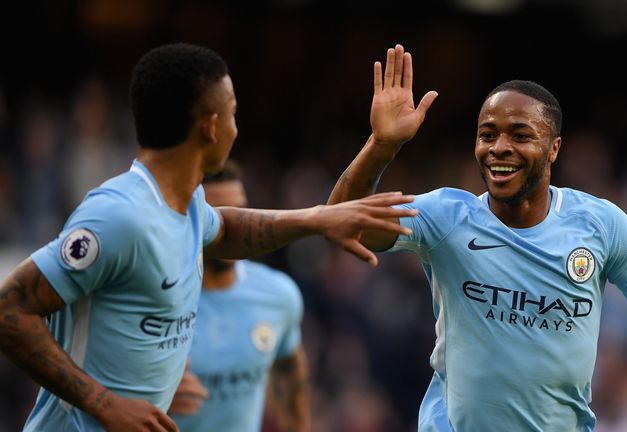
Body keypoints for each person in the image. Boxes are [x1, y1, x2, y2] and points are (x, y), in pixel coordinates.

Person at [0, 43, 417, 432]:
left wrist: (318, 218)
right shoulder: (119, 216)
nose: (237, 127)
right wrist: (106, 404)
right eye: (233, 113)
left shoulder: (184, 206)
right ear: (211, 127)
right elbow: (9, 311)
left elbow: (228, 228)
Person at [327, 44, 627, 431]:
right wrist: (382, 146)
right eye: (487, 134)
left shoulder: (601, 225)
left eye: (520, 134)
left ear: (553, 149)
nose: (499, 148)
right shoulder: (445, 216)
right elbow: (340, 224)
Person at [168, 161, 309, 432]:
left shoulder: (278, 294)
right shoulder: (156, 298)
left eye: (242, 211)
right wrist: (153, 397)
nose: (236, 225)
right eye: (221, 216)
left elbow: (290, 369)